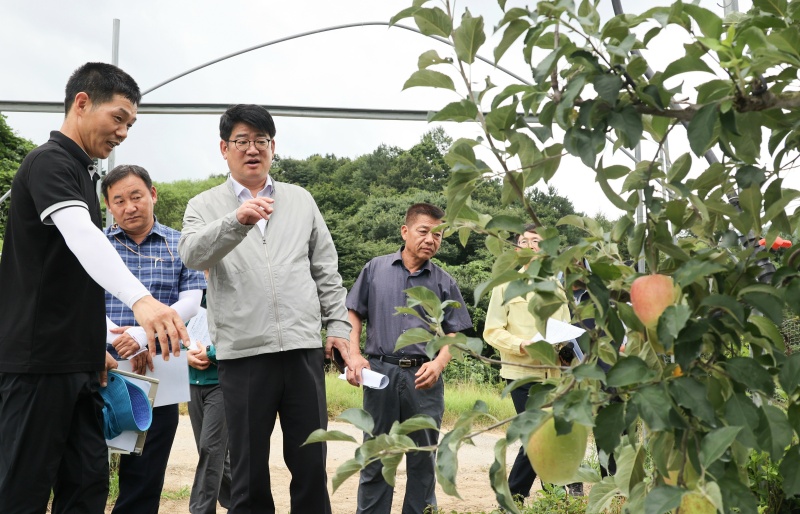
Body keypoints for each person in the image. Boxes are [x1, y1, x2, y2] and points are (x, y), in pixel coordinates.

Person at [0, 62, 189, 514]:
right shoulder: (49, 162)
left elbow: (72, 277)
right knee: (22, 490)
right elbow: (84, 240)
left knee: (86, 485)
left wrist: (92, 347)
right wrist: (142, 302)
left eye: (130, 124)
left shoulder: (83, 172)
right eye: (118, 118)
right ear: (82, 103)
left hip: (79, 365)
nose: (123, 132)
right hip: (37, 363)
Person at [178, 104, 353, 514]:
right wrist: (236, 221)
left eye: (261, 141)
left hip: (301, 348)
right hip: (243, 354)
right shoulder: (204, 205)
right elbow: (190, 253)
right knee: (248, 468)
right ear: (224, 148)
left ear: (273, 147)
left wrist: (337, 327)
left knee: (311, 462)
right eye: (242, 141)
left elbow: (326, 269)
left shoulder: (300, 199)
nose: (252, 149)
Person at [345, 203, 474, 514]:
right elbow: (352, 312)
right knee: (377, 455)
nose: (432, 239)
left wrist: (440, 362)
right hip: (381, 373)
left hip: (424, 380)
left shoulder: (444, 281)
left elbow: (456, 333)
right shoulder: (375, 269)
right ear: (405, 231)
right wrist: (354, 353)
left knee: (422, 459)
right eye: (424, 231)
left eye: (439, 235)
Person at [101, 164, 206, 514]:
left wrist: (140, 334)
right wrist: (117, 339)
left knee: (147, 460)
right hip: (103, 357)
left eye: (136, 196)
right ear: (109, 206)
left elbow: (191, 301)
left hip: (162, 361)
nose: (130, 206)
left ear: (153, 194)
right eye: (119, 200)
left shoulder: (181, 243)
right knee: (91, 454)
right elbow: (78, 301)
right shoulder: (97, 246)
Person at [483, 224, 582, 499]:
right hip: (522, 373)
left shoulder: (557, 288)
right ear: (516, 248)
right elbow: (491, 331)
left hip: (555, 376)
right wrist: (521, 345)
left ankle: (551, 496)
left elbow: (564, 329)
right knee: (536, 435)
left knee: (551, 436)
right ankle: (513, 497)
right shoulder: (504, 284)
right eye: (523, 241)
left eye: (536, 241)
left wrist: (566, 354)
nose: (528, 246)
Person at [186, 278, 232, 514]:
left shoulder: (231, 294)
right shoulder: (187, 297)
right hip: (192, 384)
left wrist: (211, 353)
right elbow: (172, 335)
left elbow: (241, 338)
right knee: (214, 454)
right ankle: (243, 501)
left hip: (221, 384)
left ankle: (200, 510)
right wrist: (186, 356)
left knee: (210, 449)